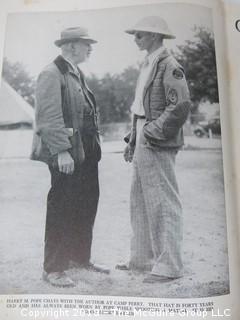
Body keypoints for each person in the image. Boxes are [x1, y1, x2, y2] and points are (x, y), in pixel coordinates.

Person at [31, 27, 109, 288]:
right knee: (62, 207)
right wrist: (62, 151)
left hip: (86, 152)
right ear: (71, 46)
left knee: (86, 204)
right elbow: (48, 118)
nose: (91, 48)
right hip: (68, 152)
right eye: (87, 43)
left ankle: (79, 258)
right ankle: (53, 269)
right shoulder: (51, 73)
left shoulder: (75, 72)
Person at [116, 16, 191, 283]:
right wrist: (134, 138)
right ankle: (141, 260)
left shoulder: (169, 66)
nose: (135, 39)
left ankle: (169, 266)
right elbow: (140, 108)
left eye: (140, 35)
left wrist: (150, 132)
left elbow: (180, 105)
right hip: (143, 136)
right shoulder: (148, 64)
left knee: (163, 203)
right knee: (139, 201)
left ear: (155, 37)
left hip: (155, 139)